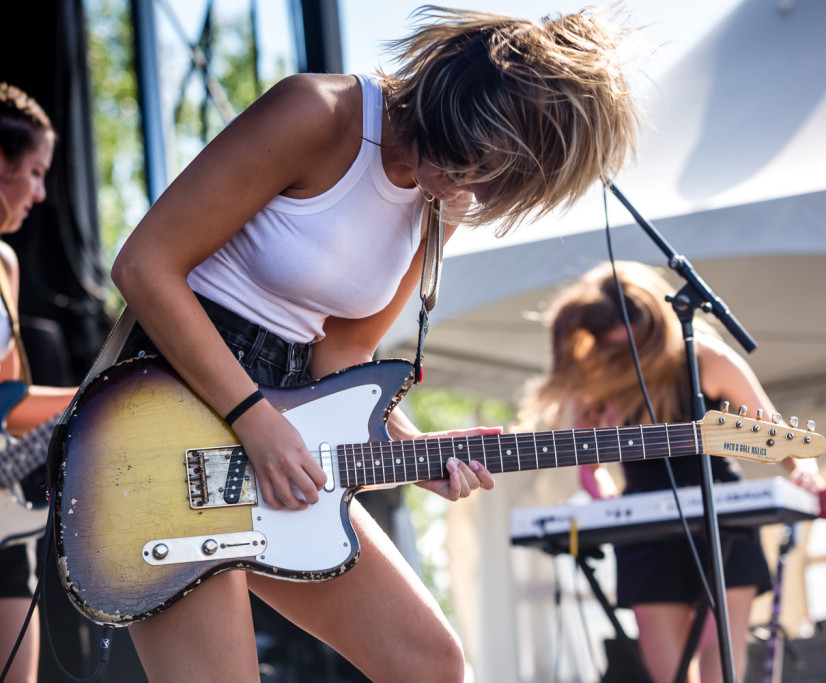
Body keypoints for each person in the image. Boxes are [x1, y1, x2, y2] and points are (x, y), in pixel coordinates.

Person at [106, 6, 640, 682]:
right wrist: (252, 417)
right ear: (454, 96)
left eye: (488, 179)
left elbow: (341, 357)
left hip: (283, 419)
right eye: (464, 160)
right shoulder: (318, 112)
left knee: (432, 663)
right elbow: (145, 264)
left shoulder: (450, 201)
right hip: (165, 413)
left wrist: (417, 453)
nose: (462, 187)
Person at [518, 261, 822, 683]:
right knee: (669, 674)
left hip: (722, 520)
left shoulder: (704, 360)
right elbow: (591, 471)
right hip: (645, 530)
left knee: (722, 664)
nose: (623, 350)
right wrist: (604, 498)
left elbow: (780, 437)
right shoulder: (595, 381)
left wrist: (804, 470)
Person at [0, 82, 78, 683]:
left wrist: (96, 398)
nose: (41, 191)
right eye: (33, 171)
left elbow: (10, 403)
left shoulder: (6, 265)